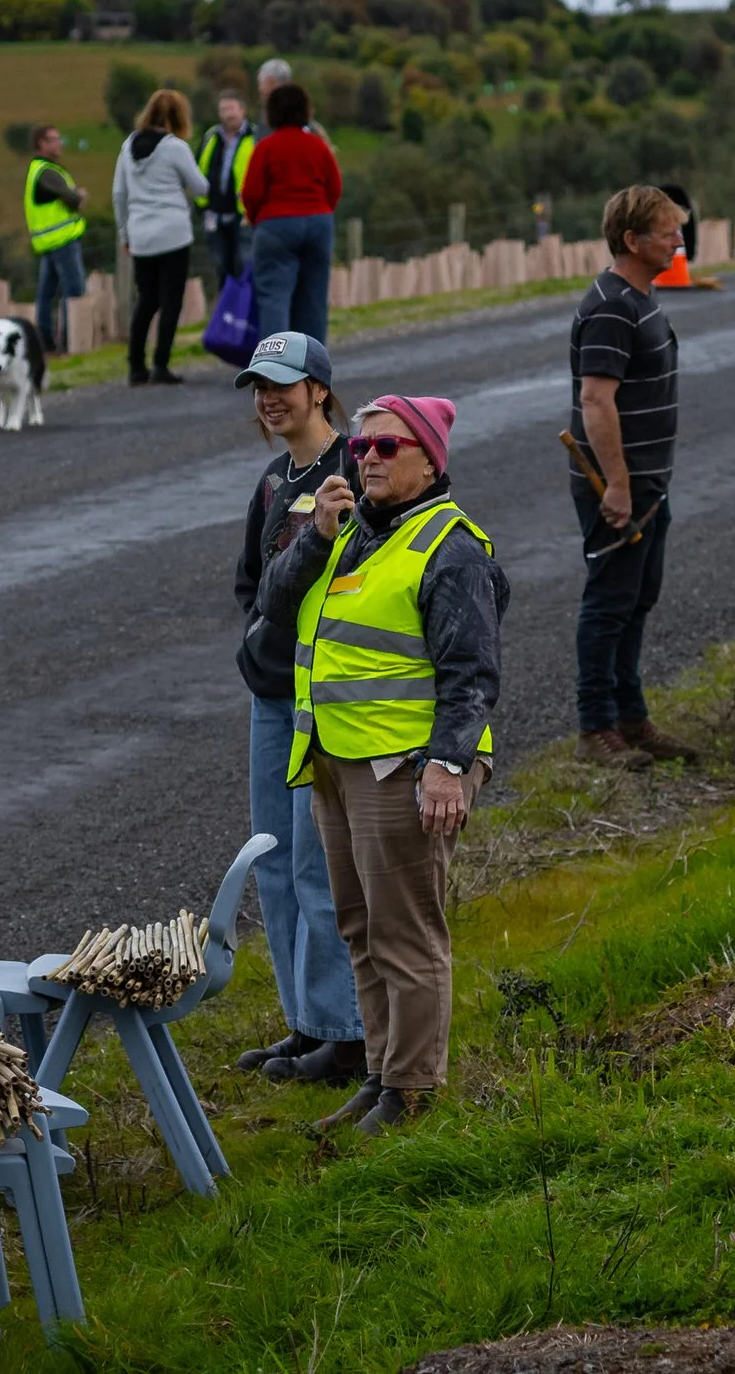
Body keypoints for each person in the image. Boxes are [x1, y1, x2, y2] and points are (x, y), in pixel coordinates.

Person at [257, 394, 505, 1136]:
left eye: (387, 448)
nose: (366, 458)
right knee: (359, 928)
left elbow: (472, 674)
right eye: (363, 446)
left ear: (431, 459)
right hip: (338, 758)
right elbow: (272, 605)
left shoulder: (450, 548)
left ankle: (414, 1087)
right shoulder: (349, 533)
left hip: (405, 767)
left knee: (405, 932)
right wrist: (311, 538)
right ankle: (381, 1072)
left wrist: (447, 766)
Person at [229, 333, 364, 1085]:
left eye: (282, 384)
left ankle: (344, 1034)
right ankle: (303, 1022)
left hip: (326, 703)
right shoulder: (273, 478)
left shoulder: (358, 470)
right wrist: (254, 643)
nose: (268, 398)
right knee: (273, 867)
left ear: (319, 388)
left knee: (319, 870)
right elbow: (249, 581)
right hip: (271, 697)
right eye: (258, 387)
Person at [568, 187, 698, 771]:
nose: (679, 240)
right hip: (618, 488)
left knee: (636, 599)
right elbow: (596, 401)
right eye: (668, 231)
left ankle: (630, 716)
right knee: (609, 602)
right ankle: (595, 729)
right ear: (632, 240)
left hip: (648, 483)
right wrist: (617, 484)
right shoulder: (612, 307)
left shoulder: (639, 298)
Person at [113, 88, 210, 385]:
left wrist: (124, 233)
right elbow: (201, 186)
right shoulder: (175, 147)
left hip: (140, 235)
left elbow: (119, 193)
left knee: (147, 300)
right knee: (171, 300)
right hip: (173, 233)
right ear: (179, 117)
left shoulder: (128, 146)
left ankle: (135, 366)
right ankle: (161, 365)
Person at [241, 82, 341, 342]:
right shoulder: (318, 145)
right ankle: (313, 369)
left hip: (276, 224)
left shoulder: (265, 147)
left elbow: (250, 193)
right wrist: (321, 213)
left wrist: (256, 221)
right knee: (314, 299)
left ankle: (278, 367)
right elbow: (335, 187)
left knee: (274, 296)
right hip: (318, 221)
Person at [23, 124, 90, 355]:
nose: (59, 143)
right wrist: (80, 196)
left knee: (46, 294)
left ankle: (46, 342)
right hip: (62, 240)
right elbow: (71, 199)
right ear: (41, 143)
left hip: (50, 242)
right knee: (74, 290)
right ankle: (71, 342)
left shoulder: (40, 169)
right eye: (53, 139)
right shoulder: (46, 171)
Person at [197, 91, 258, 278]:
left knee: (245, 263)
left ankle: (243, 306)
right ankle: (227, 306)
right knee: (220, 266)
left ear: (243, 110)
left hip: (244, 214)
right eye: (224, 109)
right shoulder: (211, 137)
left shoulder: (255, 137)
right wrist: (201, 205)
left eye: (232, 108)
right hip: (214, 213)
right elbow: (198, 167)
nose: (229, 114)